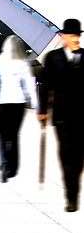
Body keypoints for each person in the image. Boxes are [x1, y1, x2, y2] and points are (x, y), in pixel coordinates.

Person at [38, 18, 84, 212]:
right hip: (62, 115)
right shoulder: (53, 58)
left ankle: (74, 185)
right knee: (66, 156)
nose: (74, 38)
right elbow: (45, 86)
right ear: (63, 36)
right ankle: (71, 196)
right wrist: (42, 111)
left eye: (77, 35)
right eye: (71, 35)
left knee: (79, 157)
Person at [0, 35, 38, 183]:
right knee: (14, 136)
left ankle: (4, 161)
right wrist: (37, 105)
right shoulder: (23, 63)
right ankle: (13, 168)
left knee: (2, 136)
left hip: (2, 103)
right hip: (18, 104)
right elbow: (30, 87)